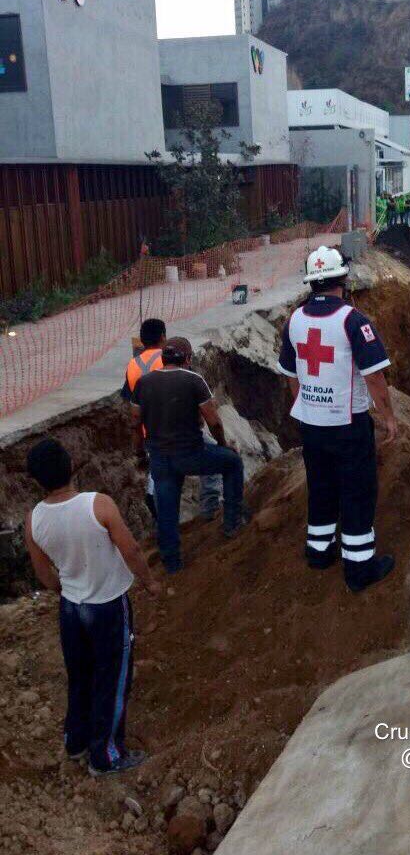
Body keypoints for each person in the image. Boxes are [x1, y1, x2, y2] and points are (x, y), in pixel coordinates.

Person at [24, 438, 160, 777]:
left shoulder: (34, 520)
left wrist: (67, 589)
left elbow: (43, 573)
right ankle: (106, 756)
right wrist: (150, 582)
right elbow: (130, 551)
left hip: (72, 609)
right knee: (112, 678)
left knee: (80, 674)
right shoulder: (98, 505)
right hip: (108, 606)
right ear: (71, 465)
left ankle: (77, 741)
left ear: (37, 480)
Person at [277, 246, 397, 593]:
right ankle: (359, 569)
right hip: (348, 425)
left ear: (311, 283)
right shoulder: (353, 320)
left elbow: (290, 372)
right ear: (343, 279)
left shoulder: (294, 319)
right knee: (357, 492)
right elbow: (374, 376)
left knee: (321, 485)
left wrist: (306, 402)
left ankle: (319, 553)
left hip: (312, 427)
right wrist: (388, 416)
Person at [131, 337, 246, 574]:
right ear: (187, 359)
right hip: (192, 453)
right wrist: (223, 445)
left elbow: (134, 422)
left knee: (167, 508)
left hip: (160, 457)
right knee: (232, 463)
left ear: (163, 360)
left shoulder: (144, 383)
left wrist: (140, 453)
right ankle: (232, 522)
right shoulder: (194, 380)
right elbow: (212, 419)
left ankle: (172, 562)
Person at [122, 318, 223, 523]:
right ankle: (209, 511)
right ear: (162, 337)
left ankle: (164, 522)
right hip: (179, 431)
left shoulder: (133, 365)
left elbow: (131, 406)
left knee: (160, 479)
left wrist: (138, 445)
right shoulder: (171, 358)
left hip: (149, 433)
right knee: (214, 460)